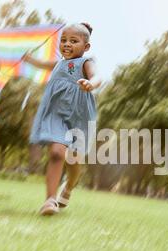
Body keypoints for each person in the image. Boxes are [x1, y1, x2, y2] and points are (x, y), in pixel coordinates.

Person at [23, 22, 101, 216]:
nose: (67, 44)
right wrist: (29, 58)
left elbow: (98, 77)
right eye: (64, 40)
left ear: (86, 47)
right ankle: (50, 200)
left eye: (73, 41)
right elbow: (41, 64)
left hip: (80, 116)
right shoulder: (58, 63)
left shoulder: (85, 62)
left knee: (74, 161)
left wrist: (90, 84)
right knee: (57, 153)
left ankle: (68, 188)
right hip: (56, 113)